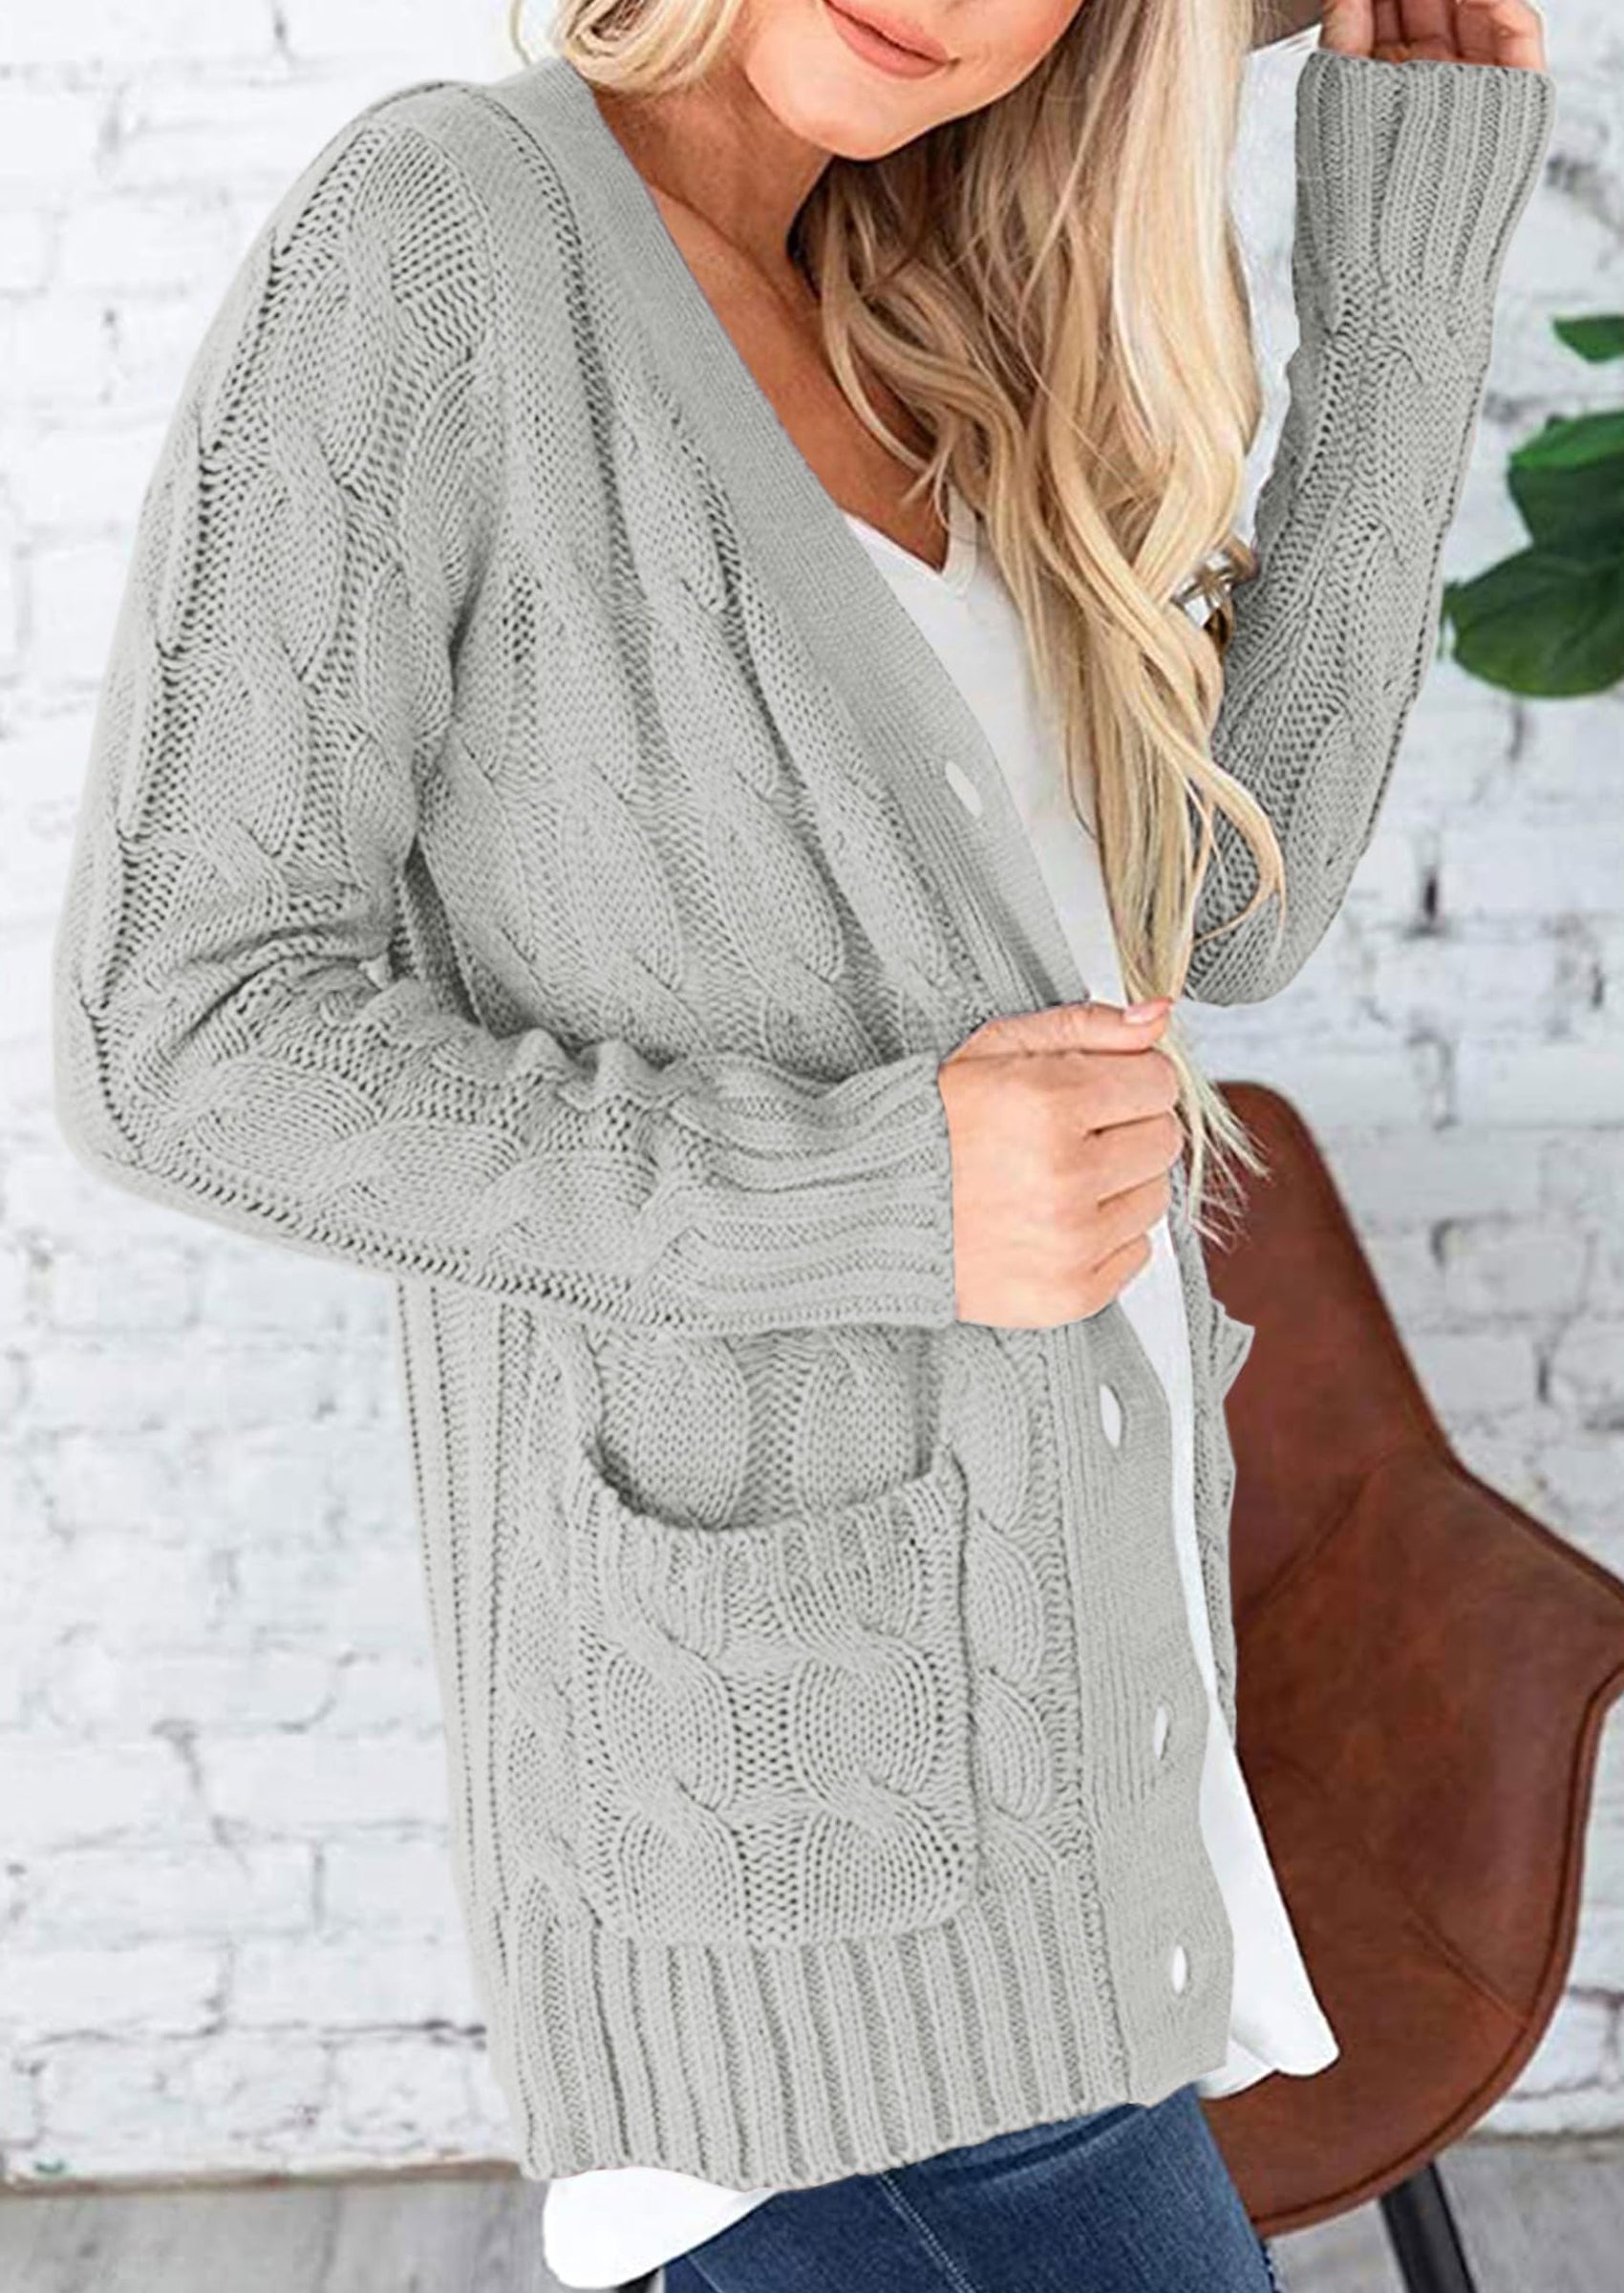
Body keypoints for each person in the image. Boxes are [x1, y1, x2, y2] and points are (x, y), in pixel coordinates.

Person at [50, 0, 1552, 2287]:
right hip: (800, 1883)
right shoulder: (444, 234)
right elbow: (181, 1037)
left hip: (1074, 1818)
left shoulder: (930, 316)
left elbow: (1230, 904)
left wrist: (1405, 289)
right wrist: (873, 1193)